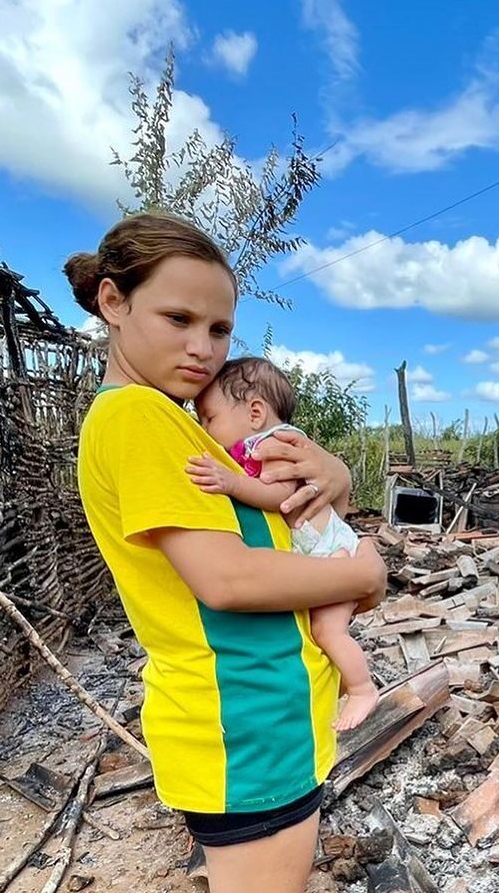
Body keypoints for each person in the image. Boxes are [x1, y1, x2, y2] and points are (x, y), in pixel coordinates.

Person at [66, 212, 387, 893]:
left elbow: (279, 516)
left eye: (217, 329)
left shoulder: (174, 420)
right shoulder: (137, 416)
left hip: (260, 721)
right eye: (177, 318)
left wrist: (337, 475)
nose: (202, 347)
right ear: (113, 302)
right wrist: (361, 568)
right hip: (244, 725)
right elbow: (228, 577)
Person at [189, 356, 378, 731]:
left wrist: (230, 483)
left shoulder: (273, 445)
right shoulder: (262, 443)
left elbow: (280, 497)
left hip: (329, 550)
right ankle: (342, 685)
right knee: (316, 631)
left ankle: (362, 688)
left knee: (328, 631)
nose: (204, 429)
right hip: (322, 546)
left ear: (255, 411)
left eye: (209, 418)